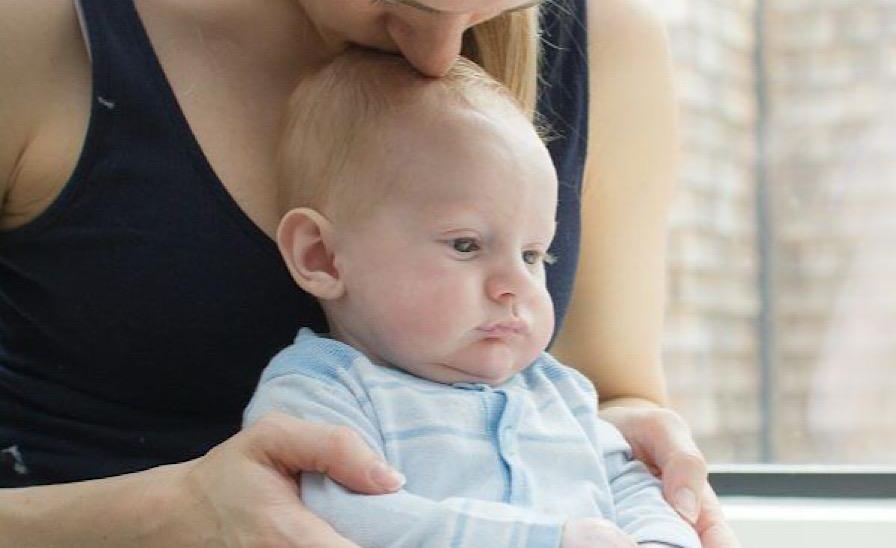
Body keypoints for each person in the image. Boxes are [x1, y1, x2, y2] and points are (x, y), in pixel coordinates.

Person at [0, 0, 739, 546]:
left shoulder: (611, 36)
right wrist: (177, 516)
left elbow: (610, 393)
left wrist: (638, 447)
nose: (439, 57)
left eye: (515, 0)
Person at [244, 48, 702, 548]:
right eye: (466, 245)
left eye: (533, 255)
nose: (516, 287)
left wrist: (662, 539)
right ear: (323, 257)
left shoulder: (556, 392)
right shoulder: (322, 391)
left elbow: (632, 488)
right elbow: (350, 521)